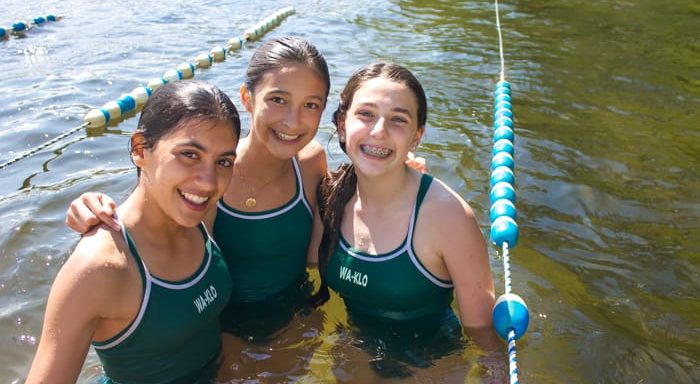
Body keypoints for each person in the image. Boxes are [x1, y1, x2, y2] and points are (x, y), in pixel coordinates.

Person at [67, 36, 331, 341]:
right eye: (278, 99)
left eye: (310, 105)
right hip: (221, 336)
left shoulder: (311, 163)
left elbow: (323, 249)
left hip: (294, 323)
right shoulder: (209, 180)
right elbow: (152, 211)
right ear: (247, 97)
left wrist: (401, 165)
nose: (292, 121)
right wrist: (98, 213)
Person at [26, 80, 241, 383]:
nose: (208, 181)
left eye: (223, 161)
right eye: (189, 154)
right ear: (140, 149)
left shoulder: (199, 214)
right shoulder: (101, 268)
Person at [312, 61, 500, 378]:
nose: (379, 131)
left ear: (416, 136)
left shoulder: (446, 216)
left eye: (397, 120)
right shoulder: (332, 195)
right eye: (366, 114)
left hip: (431, 366)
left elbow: (484, 337)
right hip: (355, 353)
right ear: (343, 124)